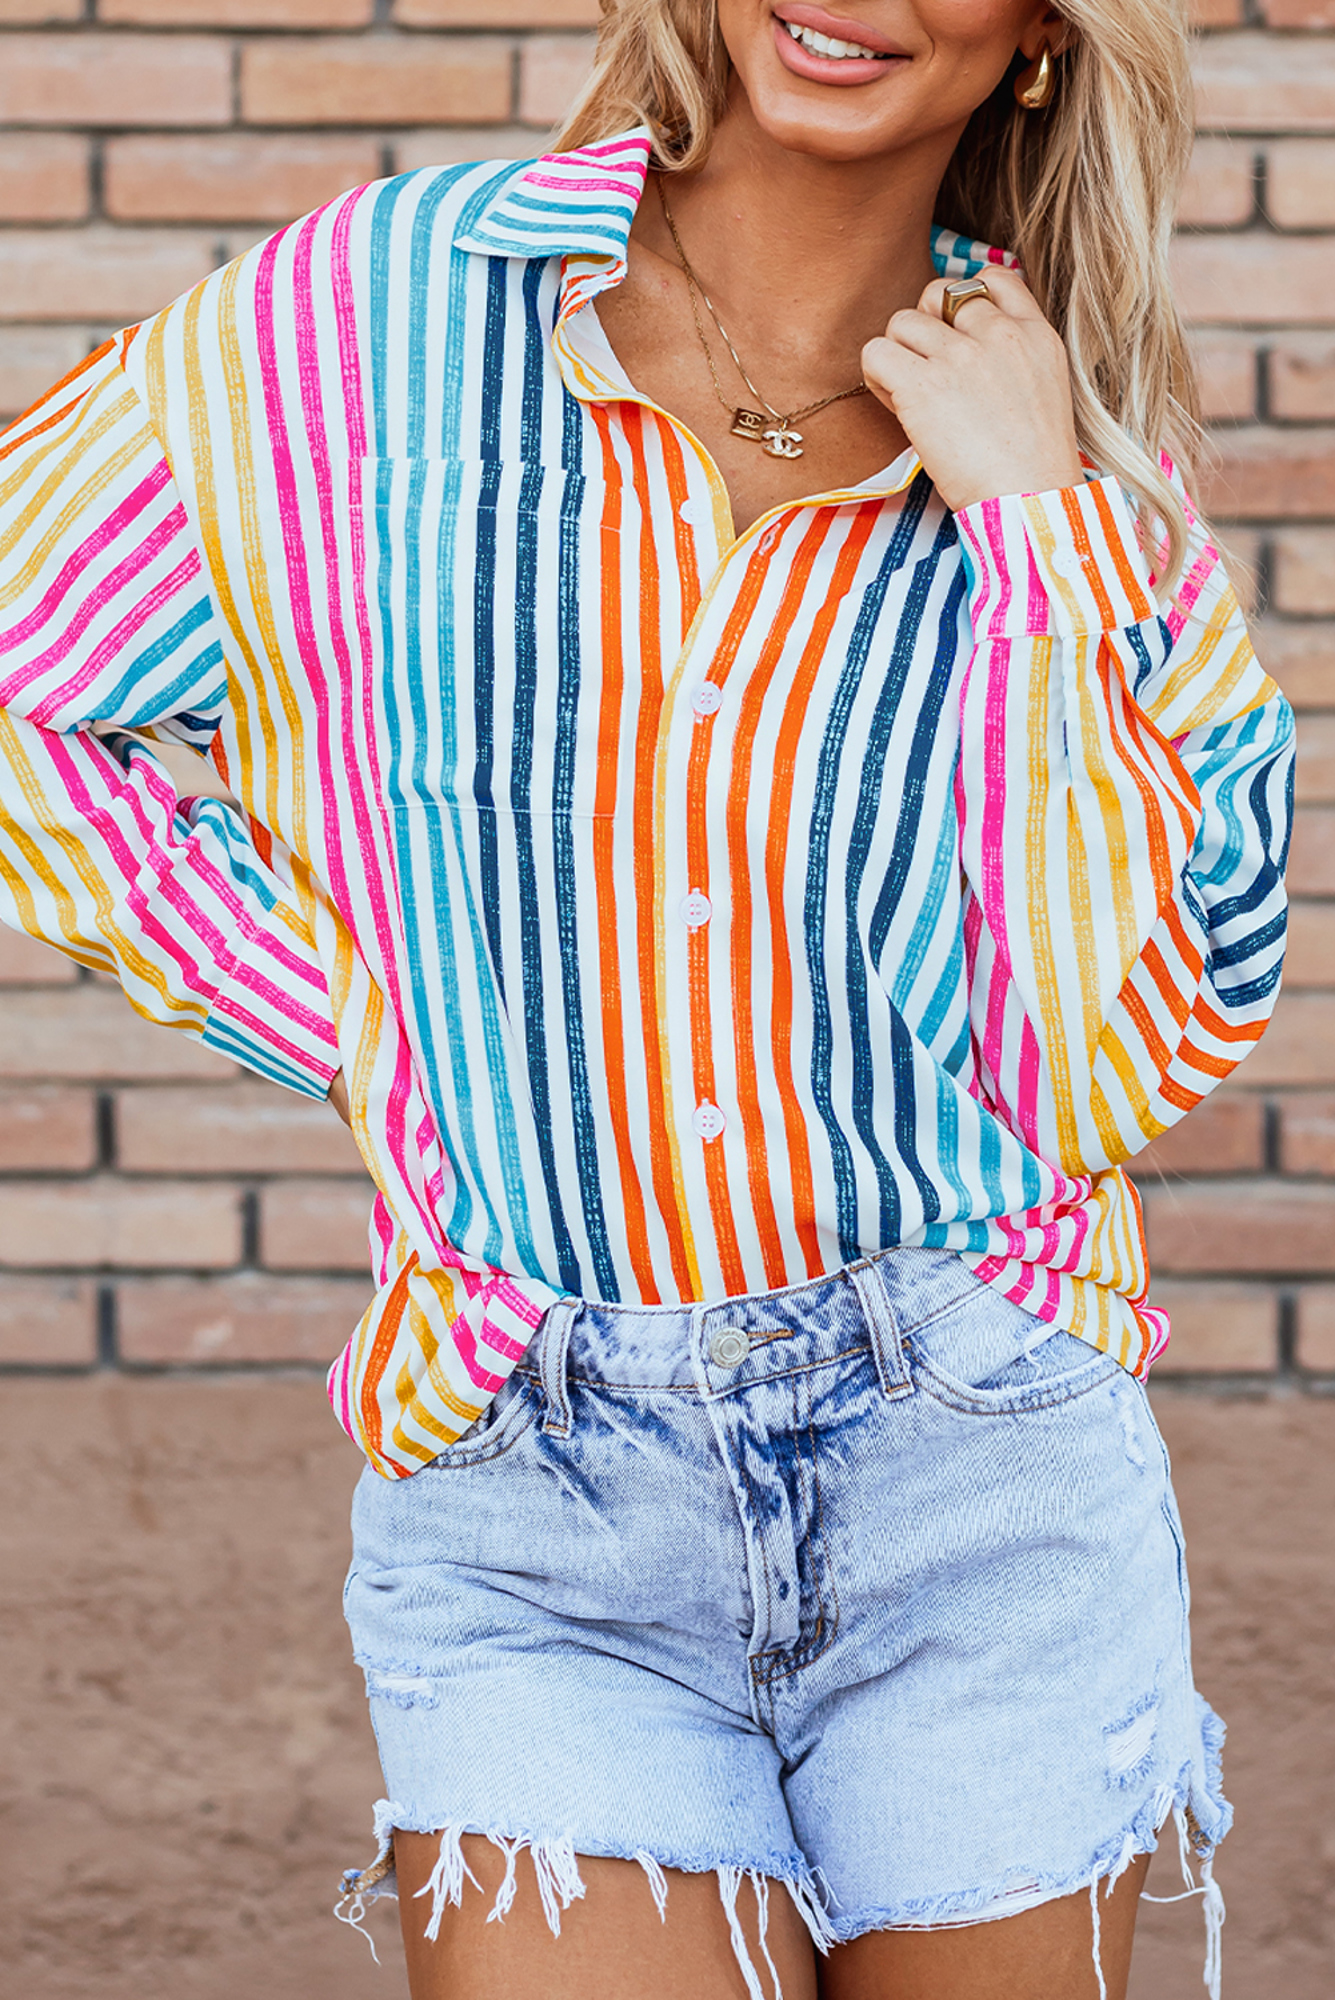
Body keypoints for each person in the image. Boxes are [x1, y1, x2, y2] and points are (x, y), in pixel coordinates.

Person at [0, 1, 1293, 1995]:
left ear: (1042, 34)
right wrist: (358, 1022)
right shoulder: (378, 316)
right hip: (535, 1489)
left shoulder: (1075, 454)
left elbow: (1117, 1059)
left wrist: (1034, 527)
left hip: (979, 1479)